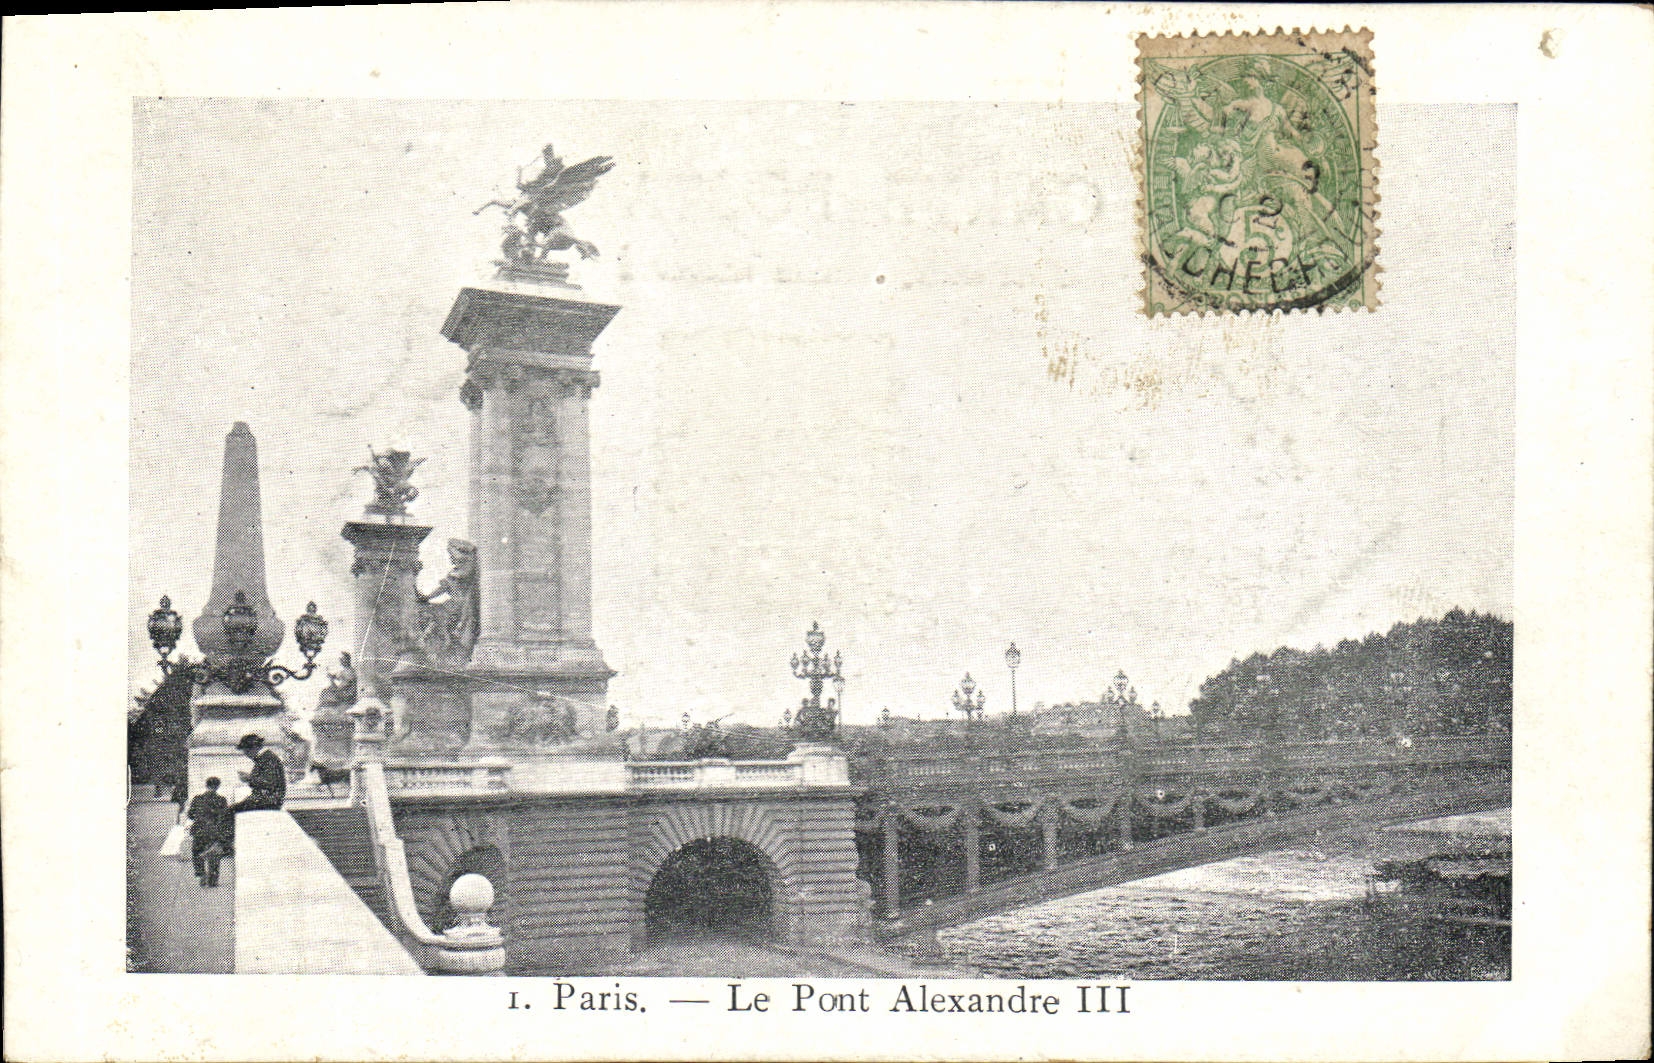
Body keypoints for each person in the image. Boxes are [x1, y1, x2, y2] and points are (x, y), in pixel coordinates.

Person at [187, 777, 231, 887]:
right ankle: (213, 879)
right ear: (217, 786)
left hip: (199, 830)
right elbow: (225, 816)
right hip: (214, 831)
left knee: (197, 852)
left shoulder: (197, 799)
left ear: (206, 785)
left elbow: (190, 815)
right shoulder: (222, 800)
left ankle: (201, 873)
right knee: (215, 854)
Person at [231, 734, 286, 812]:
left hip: (269, 801)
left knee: (230, 810)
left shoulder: (268, 759)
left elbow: (270, 783)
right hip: (266, 799)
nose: (246, 754)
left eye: (247, 751)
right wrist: (249, 778)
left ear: (255, 748)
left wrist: (249, 778)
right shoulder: (265, 758)